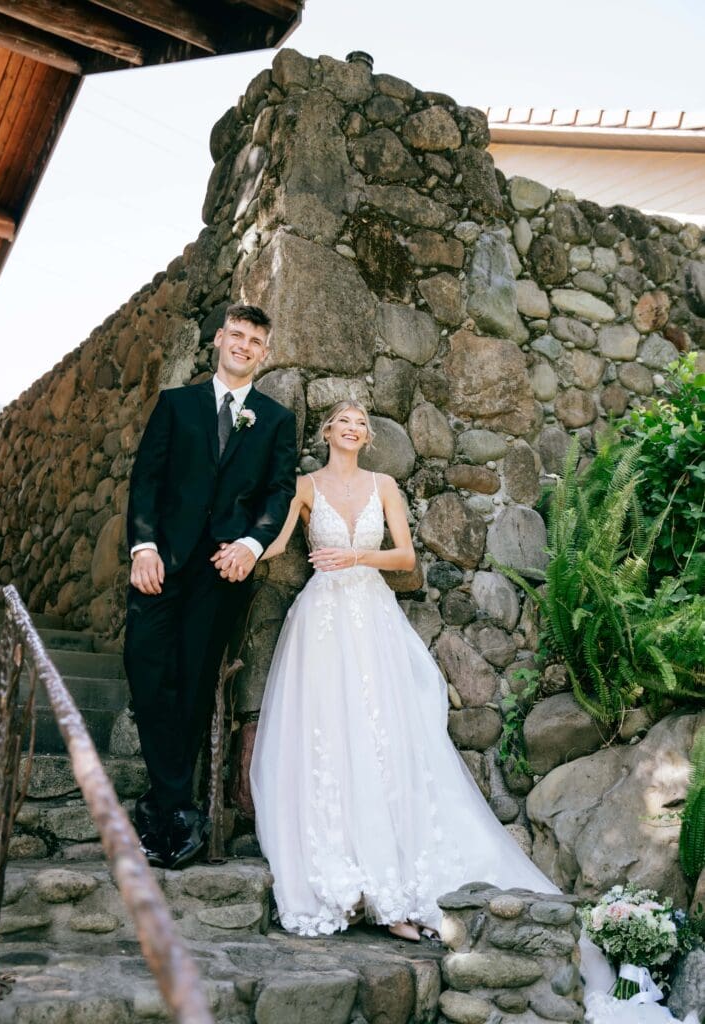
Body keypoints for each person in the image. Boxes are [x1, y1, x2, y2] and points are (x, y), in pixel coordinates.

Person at [250, 401, 615, 990]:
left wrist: (355, 556)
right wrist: (240, 550)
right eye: (344, 420)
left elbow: (405, 557)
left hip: (371, 617)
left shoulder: (384, 485)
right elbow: (275, 542)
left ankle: (393, 888)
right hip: (321, 624)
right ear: (327, 431)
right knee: (328, 739)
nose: (354, 427)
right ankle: (347, 883)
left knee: (384, 741)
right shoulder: (304, 487)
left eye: (362, 422)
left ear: (368, 438)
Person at [125, 303, 296, 870]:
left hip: (224, 569)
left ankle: (166, 813)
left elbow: (278, 491)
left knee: (196, 682)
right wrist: (143, 547)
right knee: (146, 667)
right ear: (219, 339)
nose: (244, 345)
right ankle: (175, 803)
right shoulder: (176, 405)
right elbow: (146, 479)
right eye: (237, 335)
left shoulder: (275, 420)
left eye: (255, 341)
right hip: (161, 563)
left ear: (264, 353)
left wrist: (251, 545)